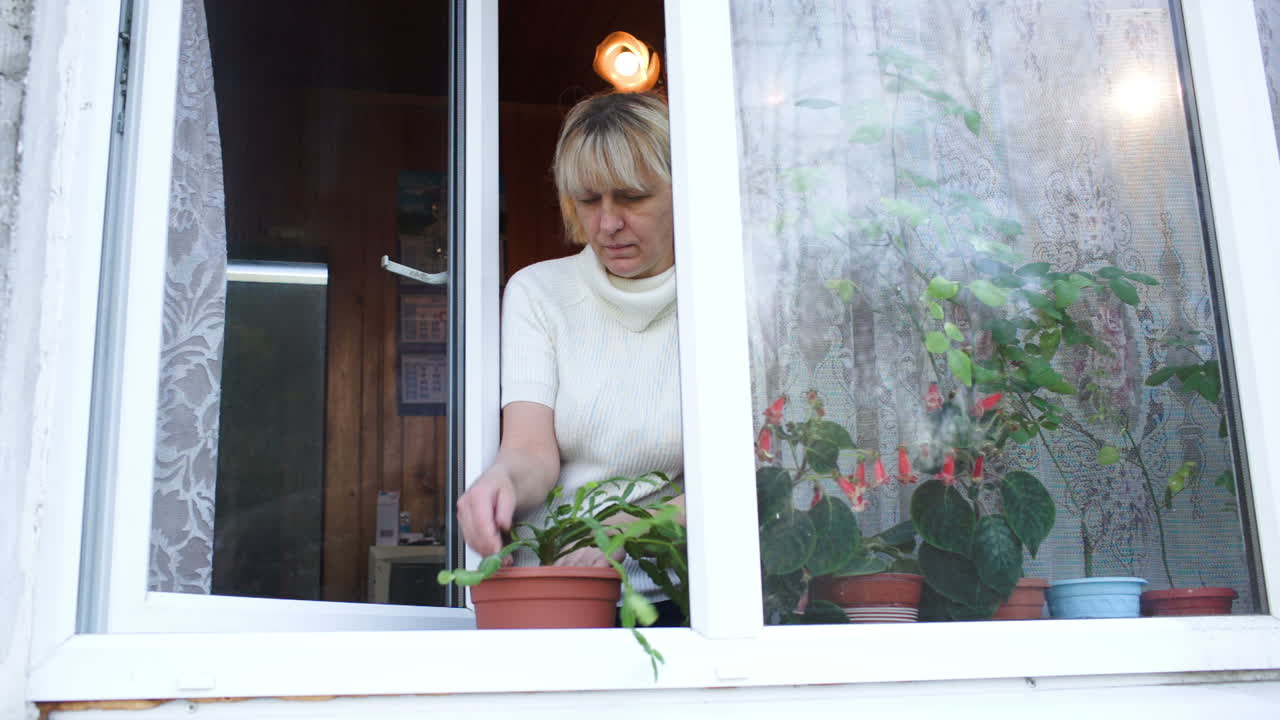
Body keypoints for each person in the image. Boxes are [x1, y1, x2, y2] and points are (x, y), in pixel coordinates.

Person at [455, 91, 685, 625]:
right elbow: (531, 452)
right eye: (588, 200)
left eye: (631, 197)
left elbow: (744, 476)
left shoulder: (723, 298)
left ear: (682, 192)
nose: (606, 224)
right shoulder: (539, 292)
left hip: (681, 599)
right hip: (553, 590)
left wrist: (625, 531)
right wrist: (501, 483)